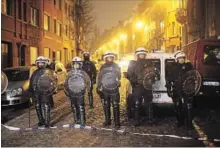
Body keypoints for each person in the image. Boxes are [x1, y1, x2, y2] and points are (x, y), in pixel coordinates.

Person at [166, 50, 194, 128]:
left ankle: (189, 123)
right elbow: (168, 79)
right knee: (178, 106)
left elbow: (194, 76)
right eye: (179, 58)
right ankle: (180, 122)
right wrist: (168, 89)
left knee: (188, 106)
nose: (181, 60)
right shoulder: (173, 68)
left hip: (187, 89)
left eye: (182, 58)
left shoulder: (188, 66)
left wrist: (192, 87)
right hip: (176, 89)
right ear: (176, 59)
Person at [127, 47, 154, 126]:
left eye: (143, 54)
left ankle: (150, 120)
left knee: (148, 104)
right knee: (137, 103)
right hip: (137, 86)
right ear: (137, 55)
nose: (142, 55)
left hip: (147, 86)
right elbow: (129, 74)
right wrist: (134, 81)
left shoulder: (150, 63)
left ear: (145, 55)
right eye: (140, 54)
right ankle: (136, 120)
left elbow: (153, 73)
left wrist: (151, 79)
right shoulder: (133, 63)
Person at [64, 57, 91, 128]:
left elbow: (88, 81)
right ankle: (76, 120)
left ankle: (82, 121)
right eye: (75, 64)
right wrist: (66, 90)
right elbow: (66, 82)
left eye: (77, 64)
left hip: (80, 92)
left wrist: (88, 89)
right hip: (72, 92)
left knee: (80, 106)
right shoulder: (70, 73)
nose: (76, 66)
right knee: (74, 107)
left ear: (80, 65)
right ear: (73, 65)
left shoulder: (83, 73)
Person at [97, 51, 121, 128]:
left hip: (114, 88)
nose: (110, 59)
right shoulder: (103, 66)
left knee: (115, 105)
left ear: (113, 58)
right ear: (106, 58)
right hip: (105, 88)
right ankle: (108, 121)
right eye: (108, 57)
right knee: (106, 104)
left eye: (111, 57)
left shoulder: (116, 66)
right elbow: (100, 77)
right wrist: (99, 86)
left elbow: (119, 75)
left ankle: (117, 122)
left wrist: (117, 81)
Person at [29, 56, 55, 127]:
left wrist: (50, 89)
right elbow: (31, 82)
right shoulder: (34, 72)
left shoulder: (48, 71)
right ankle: (41, 120)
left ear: (44, 63)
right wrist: (30, 93)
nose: (40, 64)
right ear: (37, 64)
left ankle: (47, 122)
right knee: (37, 106)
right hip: (37, 92)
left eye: (42, 63)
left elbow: (52, 81)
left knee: (46, 105)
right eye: (39, 63)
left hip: (45, 92)